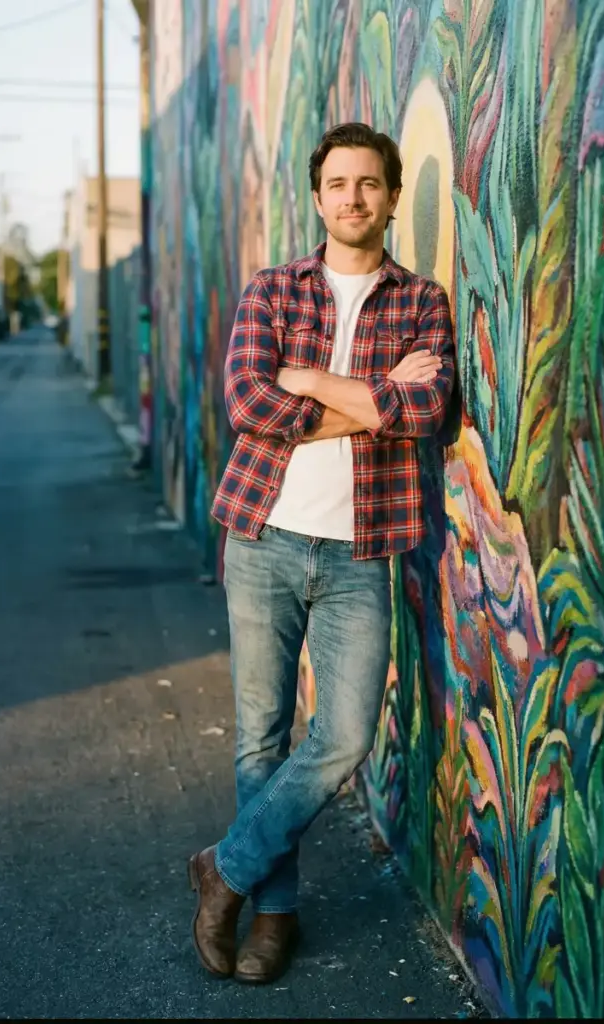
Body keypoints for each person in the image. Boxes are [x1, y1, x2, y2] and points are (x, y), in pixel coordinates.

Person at [188, 122, 455, 985]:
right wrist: (368, 402)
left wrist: (308, 383)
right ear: (317, 196)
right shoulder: (272, 291)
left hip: (358, 551)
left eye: (369, 183)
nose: (353, 197)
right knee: (259, 741)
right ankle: (272, 919)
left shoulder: (421, 304)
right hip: (262, 536)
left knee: (343, 735)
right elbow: (247, 404)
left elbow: (427, 415)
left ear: (390, 196)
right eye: (338, 183)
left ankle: (224, 868)